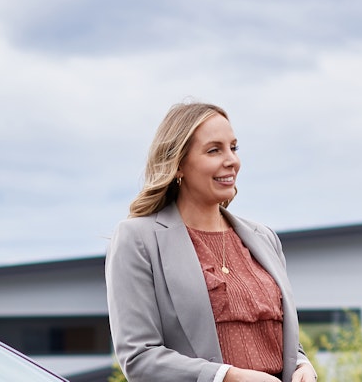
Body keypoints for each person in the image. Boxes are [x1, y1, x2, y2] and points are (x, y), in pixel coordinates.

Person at [106, 102, 315, 382]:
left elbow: (278, 340)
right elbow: (139, 357)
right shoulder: (137, 239)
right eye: (214, 150)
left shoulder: (264, 239)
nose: (231, 160)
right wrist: (227, 377)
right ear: (178, 164)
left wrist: (301, 364)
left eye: (234, 147)